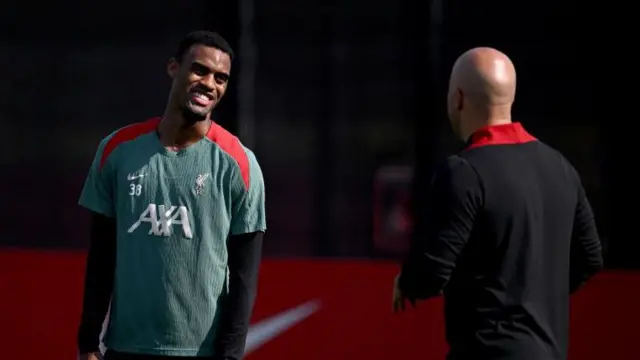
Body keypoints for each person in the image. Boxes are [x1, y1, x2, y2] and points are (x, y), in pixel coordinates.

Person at [392, 47, 603, 360]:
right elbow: (590, 258)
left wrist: (406, 282)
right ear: (509, 99)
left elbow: (430, 273)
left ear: (457, 99)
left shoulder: (464, 171)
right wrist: (532, 298)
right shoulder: (560, 167)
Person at [77, 31, 266, 360]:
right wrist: (88, 343)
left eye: (220, 78)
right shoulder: (116, 151)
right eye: (199, 70)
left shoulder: (240, 164)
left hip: (202, 354)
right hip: (125, 349)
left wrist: (230, 356)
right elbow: (102, 257)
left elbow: (244, 279)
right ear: (173, 68)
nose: (210, 83)